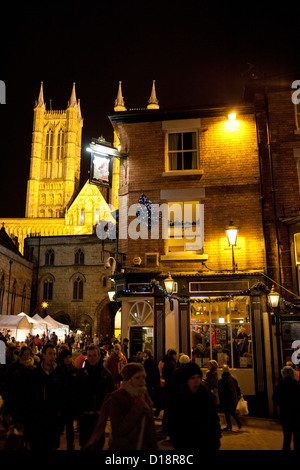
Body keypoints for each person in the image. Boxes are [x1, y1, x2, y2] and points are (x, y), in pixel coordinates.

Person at [85, 363, 157, 450]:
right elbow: (119, 429)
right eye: (137, 378)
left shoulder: (144, 395)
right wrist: (137, 408)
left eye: (143, 377)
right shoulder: (118, 398)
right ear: (129, 379)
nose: (142, 381)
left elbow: (150, 428)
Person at [168, 362, 221, 450]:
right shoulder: (179, 398)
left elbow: (214, 420)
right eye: (192, 378)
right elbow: (174, 423)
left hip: (206, 443)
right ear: (186, 380)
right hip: (186, 443)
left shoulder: (206, 396)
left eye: (198, 377)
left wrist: (215, 440)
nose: (196, 381)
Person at [26, 343, 64, 450]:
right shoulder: (35, 374)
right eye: (50, 354)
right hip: (37, 420)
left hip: (54, 421)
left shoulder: (60, 373)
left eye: (54, 354)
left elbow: (64, 397)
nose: (52, 357)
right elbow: (29, 398)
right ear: (44, 355)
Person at [76, 344, 114, 450]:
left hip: (100, 417)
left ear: (99, 356)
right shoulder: (82, 374)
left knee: (98, 444)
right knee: (85, 444)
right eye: (90, 356)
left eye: (94, 355)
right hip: (85, 416)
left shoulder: (106, 374)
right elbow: (76, 394)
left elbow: (110, 394)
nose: (92, 358)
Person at [273, 366, 300, 451]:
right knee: (297, 436)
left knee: (287, 437)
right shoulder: (297, 385)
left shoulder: (279, 385)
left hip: (285, 414)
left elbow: (275, 399)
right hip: (296, 413)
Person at [58, 348, 77, 450]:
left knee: (70, 427)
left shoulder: (73, 370)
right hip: (60, 404)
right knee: (58, 427)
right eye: (65, 357)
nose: (67, 359)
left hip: (70, 404)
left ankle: (71, 444)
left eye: (69, 357)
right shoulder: (58, 370)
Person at [218, 365, 242, 431]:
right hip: (232, 397)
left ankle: (229, 425)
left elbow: (220, 390)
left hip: (225, 398)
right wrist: (239, 395)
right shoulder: (233, 378)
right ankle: (236, 423)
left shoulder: (221, 380)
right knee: (232, 411)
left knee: (227, 412)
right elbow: (237, 387)